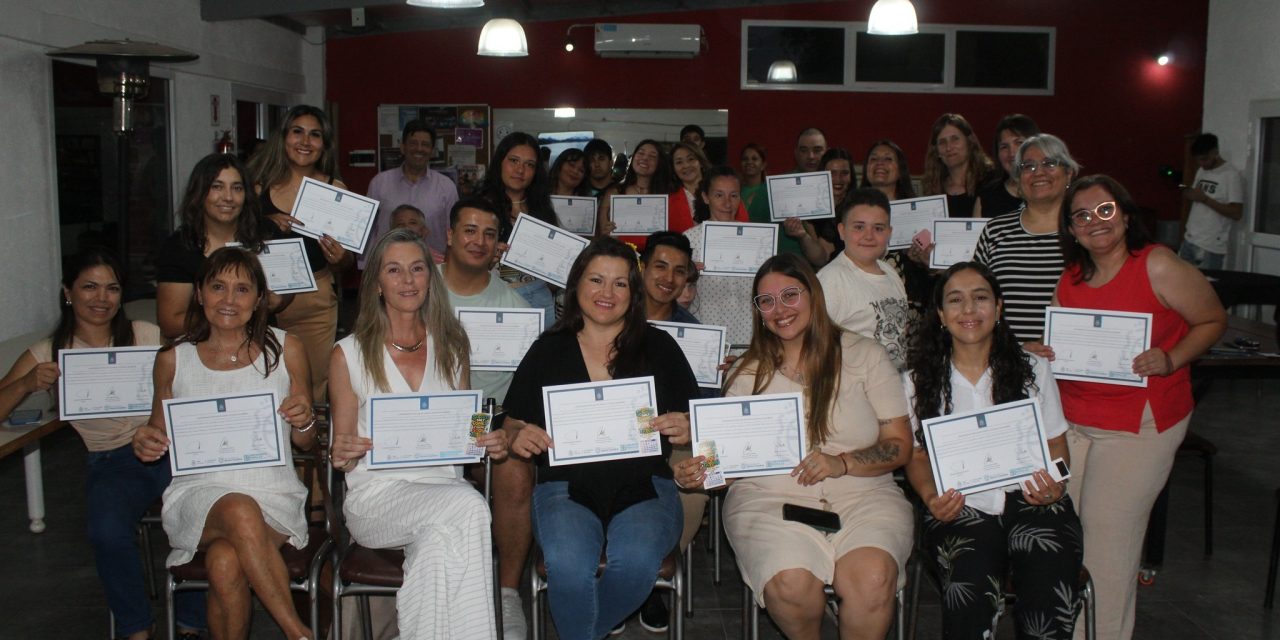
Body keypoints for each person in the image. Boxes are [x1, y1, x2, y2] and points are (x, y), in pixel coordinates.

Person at [673, 253, 913, 640]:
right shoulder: (744, 371)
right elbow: (723, 464)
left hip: (863, 493)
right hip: (769, 498)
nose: (778, 309)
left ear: (813, 295)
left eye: (790, 295)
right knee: (791, 584)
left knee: (872, 578)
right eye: (766, 301)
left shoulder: (865, 355)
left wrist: (843, 463)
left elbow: (899, 445)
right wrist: (700, 473)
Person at [1048, 175, 1226, 639]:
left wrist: (1171, 359)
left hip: (1139, 422)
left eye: (1104, 210)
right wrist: (1047, 350)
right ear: (1071, 229)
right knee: (1069, 536)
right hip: (1076, 418)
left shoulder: (1158, 266)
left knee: (1108, 548)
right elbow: (1063, 344)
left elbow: (1212, 319)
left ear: (1126, 215)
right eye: (1081, 216)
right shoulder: (1069, 278)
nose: (1095, 222)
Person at [0, 250, 206, 640]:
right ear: (68, 292)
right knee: (106, 531)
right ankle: (136, 628)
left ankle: (191, 621)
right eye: (89, 287)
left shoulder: (145, 335)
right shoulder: (50, 351)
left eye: (112, 288)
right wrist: (27, 384)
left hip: (168, 449)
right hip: (111, 460)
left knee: (199, 510)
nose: (101, 298)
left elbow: (194, 380)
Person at [503, 238, 700, 639]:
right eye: (596, 280)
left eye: (620, 284)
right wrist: (518, 436)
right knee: (569, 565)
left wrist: (689, 427)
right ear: (576, 285)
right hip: (565, 486)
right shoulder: (548, 349)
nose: (606, 293)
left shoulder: (659, 346)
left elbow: (703, 423)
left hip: (645, 485)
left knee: (638, 561)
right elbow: (509, 421)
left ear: (634, 291)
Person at [328, 229, 508, 639]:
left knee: (437, 551)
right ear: (376, 282)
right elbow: (342, 452)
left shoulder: (453, 345)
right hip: (377, 499)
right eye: (394, 270)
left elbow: (469, 422)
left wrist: (488, 437)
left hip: (443, 491)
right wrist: (343, 451)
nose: (407, 281)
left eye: (417, 269)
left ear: (431, 279)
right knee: (471, 507)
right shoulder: (348, 354)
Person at [132, 247, 318, 640]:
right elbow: (156, 436)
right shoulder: (173, 359)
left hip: (273, 492)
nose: (229, 300)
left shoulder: (287, 349)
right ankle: (299, 633)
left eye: (242, 289)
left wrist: (304, 418)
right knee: (237, 507)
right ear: (199, 293)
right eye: (218, 287)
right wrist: (145, 441)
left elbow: (305, 441)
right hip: (198, 495)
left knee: (224, 560)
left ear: (259, 299)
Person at [903, 262, 1082, 639]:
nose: (969, 310)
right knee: (969, 581)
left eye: (980, 298)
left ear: (999, 308)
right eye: (955, 300)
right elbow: (916, 456)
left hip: (1033, 498)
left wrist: (1057, 483)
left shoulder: (1034, 369)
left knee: (1047, 572)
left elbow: (1055, 443)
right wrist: (930, 496)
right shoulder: (917, 380)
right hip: (958, 502)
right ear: (940, 314)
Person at [439, 197, 535, 640]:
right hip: (429, 418)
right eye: (470, 230)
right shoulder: (419, 290)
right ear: (451, 235)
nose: (479, 241)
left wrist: (507, 426)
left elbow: (526, 387)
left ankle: (508, 594)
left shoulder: (514, 305)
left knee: (515, 470)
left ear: (500, 246)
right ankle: (441, 593)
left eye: (490, 234)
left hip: (488, 418)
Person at [249, 104, 351, 402]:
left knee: (313, 381)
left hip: (315, 300)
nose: (305, 142)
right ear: (282, 138)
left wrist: (339, 258)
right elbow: (236, 239)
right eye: (298, 132)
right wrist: (265, 221)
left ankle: (309, 445)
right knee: (264, 377)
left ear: (324, 144)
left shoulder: (335, 189)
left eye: (315, 135)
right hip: (258, 299)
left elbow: (347, 263)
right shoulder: (256, 188)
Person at [155, 153, 282, 339]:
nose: (228, 197)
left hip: (258, 342)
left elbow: (287, 291)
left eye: (237, 188)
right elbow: (170, 323)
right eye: (217, 187)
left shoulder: (267, 234)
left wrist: (278, 301)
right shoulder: (179, 247)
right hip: (201, 347)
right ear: (199, 193)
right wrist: (228, 313)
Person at [973, 134, 1080, 343]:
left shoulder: (1083, 231)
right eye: (1028, 166)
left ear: (1068, 173)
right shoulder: (995, 230)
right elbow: (975, 295)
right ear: (1018, 180)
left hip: (1066, 360)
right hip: (1004, 360)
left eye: (1049, 163)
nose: (1038, 172)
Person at [817, 188, 911, 369]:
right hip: (853, 389)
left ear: (889, 232)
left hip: (894, 384)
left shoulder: (890, 272)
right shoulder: (830, 281)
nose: (868, 236)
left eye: (878, 228)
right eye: (859, 227)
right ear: (842, 231)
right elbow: (815, 345)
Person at [481, 131, 557, 320]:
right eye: (514, 161)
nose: (520, 170)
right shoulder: (479, 206)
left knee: (543, 350)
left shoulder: (542, 207)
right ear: (500, 162)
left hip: (541, 296)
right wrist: (487, 255)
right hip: (496, 296)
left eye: (529, 165)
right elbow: (460, 262)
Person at [365, 119, 459, 262]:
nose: (419, 149)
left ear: (433, 151)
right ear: (402, 147)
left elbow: (454, 233)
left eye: (425, 145)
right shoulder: (379, 183)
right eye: (413, 143)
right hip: (387, 266)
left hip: (433, 268)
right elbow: (368, 232)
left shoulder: (447, 187)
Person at [684, 166, 755, 346]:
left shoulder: (757, 237)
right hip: (703, 332)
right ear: (706, 197)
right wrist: (687, 274)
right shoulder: (688, 240)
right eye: (719, 195)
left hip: (748, 333)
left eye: (733, 195)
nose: (727, 203)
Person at [860, 140, 932, 316]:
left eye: (888, 159)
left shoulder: (921, 212)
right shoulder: (851, 212)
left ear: (900, 170)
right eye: (874, 159)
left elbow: (932, 263)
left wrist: (922, 256)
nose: (880, 163)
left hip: (910, 303)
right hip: (862, 301)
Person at [1179, 133, 1244, 269]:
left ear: (1215, 152)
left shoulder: (1231, 175)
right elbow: (1197, 195)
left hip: (1210, 246)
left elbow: (1236, 213)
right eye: (1198, 160)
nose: (1202, 164)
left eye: (1204, 159)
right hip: (1189, 238)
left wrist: (1205, 199)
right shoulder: (1201, 171)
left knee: (1206, 287)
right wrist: (1189, 193)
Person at [598, 139, 676, 249]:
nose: (645, 158)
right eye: (641, 153)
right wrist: (607, 232)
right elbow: (603, 233)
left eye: (652, 156)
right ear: (633, 157)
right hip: (620, 254)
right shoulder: (615, 192)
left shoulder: (668, 195)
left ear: (660, 163)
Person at [920, 113, 994, 219]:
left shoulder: (991, 182)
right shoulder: (933, 189)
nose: (949, 147)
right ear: (936, 151)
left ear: (970, 141)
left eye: (955, 139)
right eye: (942, 142)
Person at [977, 114, 1041, 219]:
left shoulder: (1050, 192)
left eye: (1019, 143)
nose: (1012, 153)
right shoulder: (987, 197)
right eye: (1004, 147)